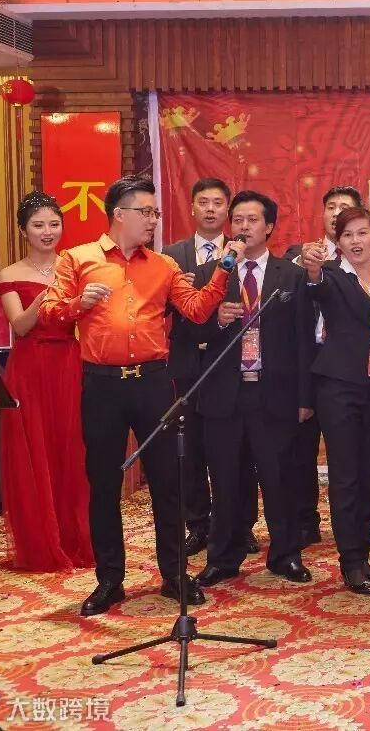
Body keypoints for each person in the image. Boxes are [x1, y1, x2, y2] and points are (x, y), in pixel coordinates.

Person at [40, 176, 240, 616]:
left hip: (153, 382)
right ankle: (110, 580)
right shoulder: (78, 259)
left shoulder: (163, 265)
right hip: (101, 385)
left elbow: (196, 310)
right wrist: (78, 304)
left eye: (155, 213)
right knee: (104, 484)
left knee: (168, 482)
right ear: (119, 214)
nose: (153, 220)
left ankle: (174, 575)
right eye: (146, 212)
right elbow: (51, 314)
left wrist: (224, 268)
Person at [190, 191, 315, 589]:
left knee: (279, 478)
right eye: (238, 220)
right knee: (225, 479)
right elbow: (191, 332)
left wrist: (305, 398)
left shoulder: (290, 275)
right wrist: (217, 322)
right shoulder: (211, 273)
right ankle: (222, 558)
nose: (243, 227)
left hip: (273, 393)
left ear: (269, 227)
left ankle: (286, 555)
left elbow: (303, 341)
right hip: (224, 394)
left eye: (252, 220)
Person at [301, 207, 370, 595]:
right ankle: (349, 559)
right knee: (346, 473)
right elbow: (315, 287)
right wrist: (313, 270)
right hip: (339, 387)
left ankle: (363, 553)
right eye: (347, 234)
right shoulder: (332, 276)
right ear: (338, 242)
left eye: (362, 233)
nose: (355, 241)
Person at [162, 177, 261, 557]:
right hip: (189, 365)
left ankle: (241, 524)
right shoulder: (172, 255)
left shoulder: (244, 250)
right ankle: (199, 524)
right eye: (203, 202)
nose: (210, 209)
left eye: (218, 203)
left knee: (240, 451)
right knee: (191, 449)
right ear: (191, 207)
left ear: (228, 211)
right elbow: (160, 307)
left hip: (232, 366)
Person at [0, 192, 93, 572]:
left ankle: (76, 538)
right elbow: (20, 325)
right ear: (24, 231)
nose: (47, 231)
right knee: (34, 451)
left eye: (54, 224)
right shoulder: (9, 273)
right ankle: (41, 542)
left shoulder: (74, 267)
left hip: (69, 362)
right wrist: (47, 297)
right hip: (29, 367)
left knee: (72, 449)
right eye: (38, 225)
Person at [283, 185, 363, 547]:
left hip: (346, 365)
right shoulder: (298, 255)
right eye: (331, 207)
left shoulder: (364, 261)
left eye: (345, 207)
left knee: (348, 451)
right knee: (301, 446)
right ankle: (305, 520)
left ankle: (354, 523)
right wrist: (303, 264)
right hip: (306, 360)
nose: (336, 213)